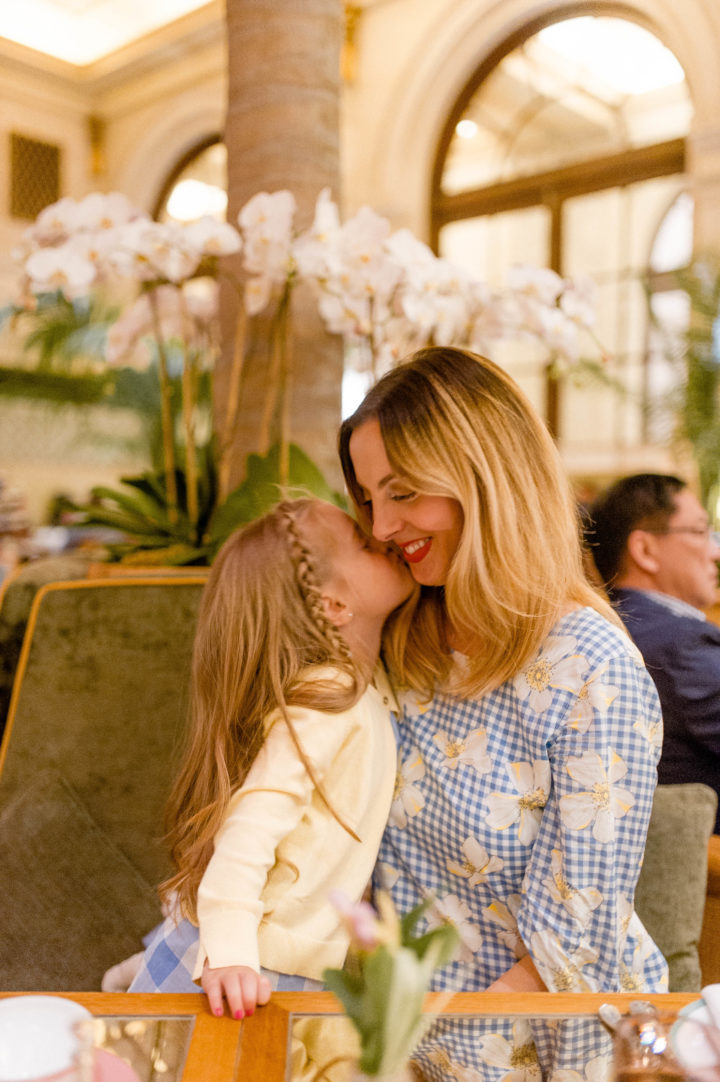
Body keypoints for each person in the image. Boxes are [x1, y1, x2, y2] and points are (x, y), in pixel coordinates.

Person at [339, 347, 667, 1078]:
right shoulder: (399, 634)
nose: (385, 526)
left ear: (486, 480)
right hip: (393, 1032)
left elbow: (566, 948)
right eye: (368, 499)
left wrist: (413, 1048)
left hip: (538, 1046)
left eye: (403, 492)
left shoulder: (592, 668)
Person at [127, 496, 414, 1020]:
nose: (386, 538)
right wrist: (232, 955)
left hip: (282, 951)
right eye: (365, 543)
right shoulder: (327, 696)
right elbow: (250, 826)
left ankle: (139, 967)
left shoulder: (363, 686)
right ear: (333, 605)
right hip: (256, 957)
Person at [587, 472, 720, 832]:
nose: (715, 551)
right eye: (698, 531)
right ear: (644, 549)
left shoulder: (603, 628)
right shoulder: (680, 645)